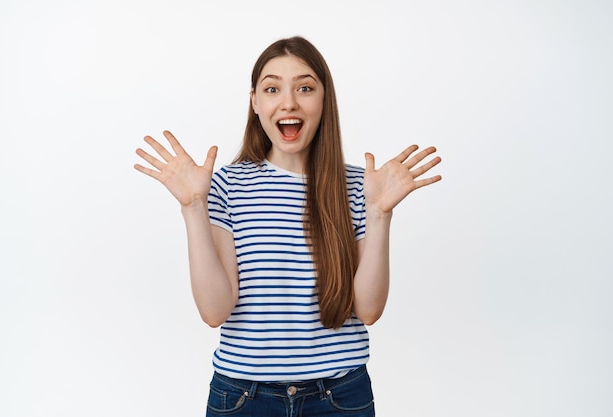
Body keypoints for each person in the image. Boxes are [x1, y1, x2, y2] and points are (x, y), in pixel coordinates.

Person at [134, 36, 441, 417]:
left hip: (339, 397)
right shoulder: (225, 185)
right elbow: (215, 311)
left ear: (324, 100)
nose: (289, 101)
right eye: (273, 88)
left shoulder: (363, 187)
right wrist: (193, 208)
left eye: (305, 88)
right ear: (255, 103)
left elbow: (369, 310)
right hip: (243, 398)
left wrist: (380, 215)